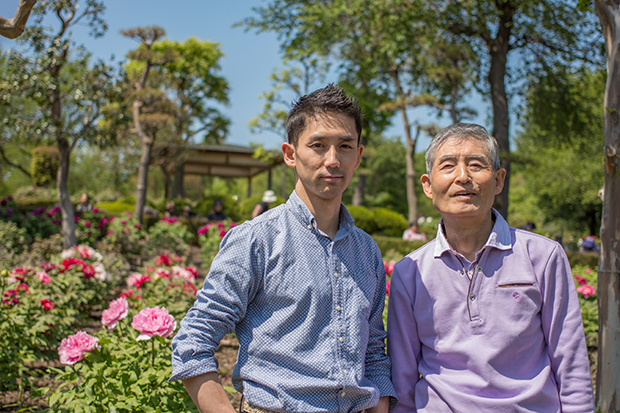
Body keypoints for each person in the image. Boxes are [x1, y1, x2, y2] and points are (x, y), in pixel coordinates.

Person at [171, 84, 397, 413]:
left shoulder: (367, 251)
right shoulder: (255, 241)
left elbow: (374, 351)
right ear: (290, 154)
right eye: (318, 146)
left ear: (358, 156)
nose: (333, 160)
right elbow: (194, 340)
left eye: (345, 146)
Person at [387, 123, 594, 412]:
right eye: (447, 166)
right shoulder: (409, 272)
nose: (463, 177)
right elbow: (402, 380)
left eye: (476, 165)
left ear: (498, 180)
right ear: (427, 185)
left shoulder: (544, 257)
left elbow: (570, 362)